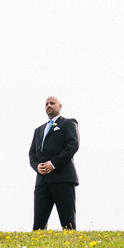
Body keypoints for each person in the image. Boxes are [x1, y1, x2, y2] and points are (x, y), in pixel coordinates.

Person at [29, 96, 79, 230]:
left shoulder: (68, 123)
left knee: (68, 224)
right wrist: (37, 166)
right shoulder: (38, 130)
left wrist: (53, 163)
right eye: (46, 104)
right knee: (38, 226)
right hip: (42, 181)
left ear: (60, 106)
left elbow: (72, 146)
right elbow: (32, 154)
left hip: (63, 179)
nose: (49, 106)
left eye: (52, 103)